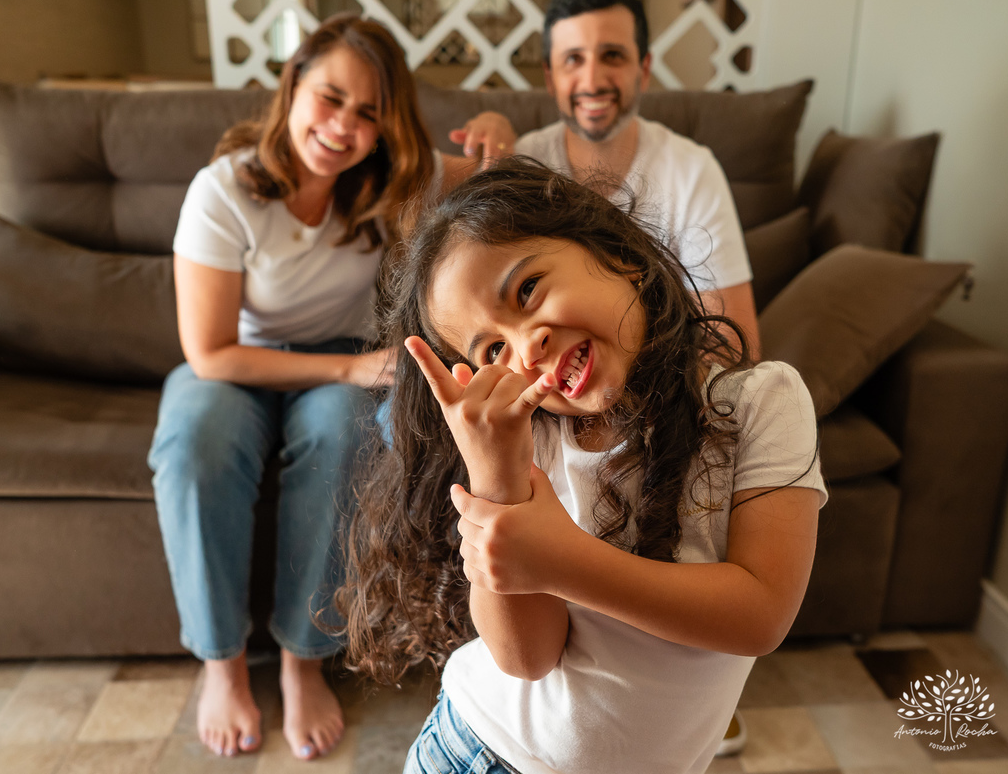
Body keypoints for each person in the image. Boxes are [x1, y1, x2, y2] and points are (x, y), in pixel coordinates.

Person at [338, 159, 825, 774]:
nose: (526, 345)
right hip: (476, 751)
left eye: (526, 291)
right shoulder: (534, 435)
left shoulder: (761, 402)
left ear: (615, 251)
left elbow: (760, 615)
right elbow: (527, 658)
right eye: (492, 350)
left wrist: (562, 560)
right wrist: (495, 478)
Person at [147, 14, 513, 762]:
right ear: (293, 88)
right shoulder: (223, 190)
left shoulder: (396, 182)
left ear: (386, 129)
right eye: (330, 97)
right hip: (237, 362)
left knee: (348, 433)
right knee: (194, 442)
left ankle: (301, 658)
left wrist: (502, 127)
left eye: (367, 112)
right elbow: (209, 349)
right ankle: (220, 664)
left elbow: (497, 176)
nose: (342, 125)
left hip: (343, 364)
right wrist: (349, 366)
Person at [516, 0, 760, 359]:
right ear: (550, 78)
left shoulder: (693, 170)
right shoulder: (520, 167)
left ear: (643, 69)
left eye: (612, 55)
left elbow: (732, 346)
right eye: (573, 59)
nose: (593, 80)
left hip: (668, 392)